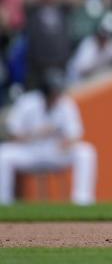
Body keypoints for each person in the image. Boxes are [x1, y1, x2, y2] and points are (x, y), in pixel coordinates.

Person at [0, 70, 97, 204]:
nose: (57, 95)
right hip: (29, 151)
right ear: (45, 92)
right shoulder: (27, 102)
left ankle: (82, 201)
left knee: (85, 152)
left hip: (54, 151)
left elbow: (75, 134)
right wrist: (35, 133)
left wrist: (66, 142)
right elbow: (11, 134)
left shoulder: (65, 103)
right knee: (4, 153)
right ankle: (3, 202)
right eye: (54, 91)